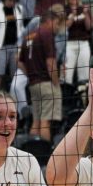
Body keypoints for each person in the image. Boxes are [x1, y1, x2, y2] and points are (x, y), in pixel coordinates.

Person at [20, 8, 62, 142]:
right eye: (56, 23)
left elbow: (19, 61)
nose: (57, 28)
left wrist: (30, 75)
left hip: (33, 84)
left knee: (36, 121)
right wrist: (56, 83)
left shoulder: (28, 36)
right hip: (46, 83)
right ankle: (44, 156)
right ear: (49, 21)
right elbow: (51, 63)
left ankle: (33, 154)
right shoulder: (47, 35)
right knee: (45, 122)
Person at [63, 0, 91, 88]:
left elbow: (88, 27)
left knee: (84, 74)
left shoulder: (83, 9)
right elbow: (65, 27)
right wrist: (73, 14)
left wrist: (86, 13)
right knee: (67, 74)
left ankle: (83, 98)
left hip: (83, 44)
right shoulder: (64, 10)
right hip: (69, 44)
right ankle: (67, 98)